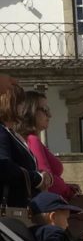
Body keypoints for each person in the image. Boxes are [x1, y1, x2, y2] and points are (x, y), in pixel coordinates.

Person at [1, 75, 52, 213]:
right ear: (9, 103)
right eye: (21, 103)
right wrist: (37, 178)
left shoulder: (11, 134)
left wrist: (39, 175)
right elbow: (5, 167)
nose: (23, 107)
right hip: (12, 208)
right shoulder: (2, 133)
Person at [22, 90, 80, 200]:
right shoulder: (32, 140)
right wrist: (69, 191)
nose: (49, 115)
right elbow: (46, 180)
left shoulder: (29, 139)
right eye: (44, 110)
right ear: (31, 111)